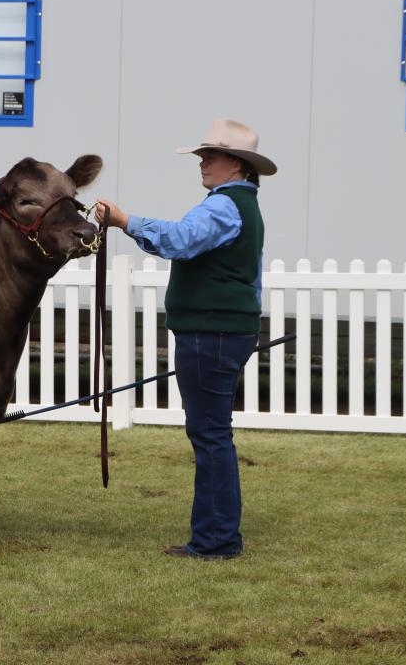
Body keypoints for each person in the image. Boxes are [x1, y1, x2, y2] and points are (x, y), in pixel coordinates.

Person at [94, 118, 275, 561]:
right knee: (213, 433)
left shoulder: (224, 206)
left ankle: (216, 540)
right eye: (202, 155)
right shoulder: (237, 204)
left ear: (237, 164)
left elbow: (178, 240)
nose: (203, 162)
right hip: (222, 332)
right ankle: (217, 536)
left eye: (210, 155)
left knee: (210, 435)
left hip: (210, 334)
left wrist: (124, 221)